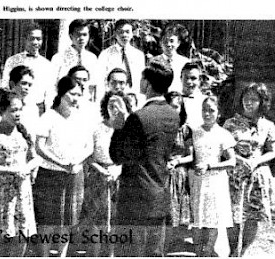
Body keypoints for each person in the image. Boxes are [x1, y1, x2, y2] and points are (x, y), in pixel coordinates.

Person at [109, 61, 179, 257]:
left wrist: (118, 126)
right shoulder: (173, 115)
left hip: (135, 197)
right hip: (159, 194)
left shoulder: (139, 117)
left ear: (147, 84)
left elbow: (118, 156)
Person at [0, 88, 40, 257]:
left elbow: (35, 157)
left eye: (19, 109)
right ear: (2, 111)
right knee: (0, 236)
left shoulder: (22, 132)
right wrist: (11, 170)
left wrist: (26, 168)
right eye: (13, 110)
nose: (17, 114)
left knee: (21, 234)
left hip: (21, 191)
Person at [33, 76, 93, 257]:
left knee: (69, 221)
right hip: (51, 175)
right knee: (47, 221)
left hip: (74, 175)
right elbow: (39, 147)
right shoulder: (49, 116)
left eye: (79, 95)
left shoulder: (82, 118)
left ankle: (61, 255)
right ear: (61, 94)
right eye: (71, 94)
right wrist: (60, 163)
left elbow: (89, 146)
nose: (75, 98)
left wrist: (76, 161)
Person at [223, 83, 275, 257]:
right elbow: (223, 148)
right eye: (245, 98)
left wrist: (256, 160)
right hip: (235, 175)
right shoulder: (230, 123)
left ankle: (243, 252)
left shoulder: (268, 126)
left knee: (252, 217)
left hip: (258, 177)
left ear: (262, 102)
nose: (248, 102)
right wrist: (240, 160)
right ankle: (233, 252)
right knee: (233, 216)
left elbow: (273, 151)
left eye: (254, 99)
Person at [79, 91, 129, 257]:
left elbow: (130, 155)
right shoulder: (97, 128)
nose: (114, 109)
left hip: (119, 176)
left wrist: (117, 169)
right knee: (96, 219)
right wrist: (101, 170)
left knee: (115, 219)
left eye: (118, 106)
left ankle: (111, 254)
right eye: (111, 106)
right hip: (97, 176)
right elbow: (88, 156)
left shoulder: (127, 129)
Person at [190, 96, 236, 257]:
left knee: (213, 219)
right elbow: (190, 156)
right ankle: (198, 252)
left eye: (211, 110)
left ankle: (209, 251)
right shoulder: (195, 132)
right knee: (198, 218)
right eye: (204, 110)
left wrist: (210, 166)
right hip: (198, 180)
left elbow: (232, 161)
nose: (207, 114)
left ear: (218, 113)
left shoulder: (223, 134)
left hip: (216, 180)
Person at [2, 23, 53, 115]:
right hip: (16, 108)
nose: (35, 42)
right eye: (32, 39)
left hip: (38, 109)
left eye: (38, 39)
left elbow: (49, 93)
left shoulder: (47, 65)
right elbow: (5, 87)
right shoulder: (12, 61)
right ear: (24, 39)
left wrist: (48, 114)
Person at [164, 91, 194, 248]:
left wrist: (176, 161)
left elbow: (191, 156)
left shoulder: (185, 130)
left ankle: (177, 243)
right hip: (163, 171)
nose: (173, 110)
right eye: (170, 106)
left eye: (176, 107)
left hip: (180, 173)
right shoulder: (159, 127)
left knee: (179, 210)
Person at [51, 19, 99, 105]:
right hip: (65, 104)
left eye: (85, 35)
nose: (81, 38)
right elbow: (52, 86)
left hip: (85, 105)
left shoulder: (92, 58)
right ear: (71, 36)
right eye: (78, 34)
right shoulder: (58, 58)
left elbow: (94, 87)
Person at [98, 19, 146, 103]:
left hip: (133, 98)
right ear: (115, 35)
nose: (124, 35)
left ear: (132, 34)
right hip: (113, 97)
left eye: (127, 32)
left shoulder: (139, 55)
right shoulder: (105, 54)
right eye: (120, 32)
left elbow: (141, 80)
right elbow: (101, 80)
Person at [150, 24, 190, 93]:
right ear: (160, 43)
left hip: (179, 98)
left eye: (171, 41)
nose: (168, 44)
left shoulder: (185, 62)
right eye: (165, 41)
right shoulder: (154, 61)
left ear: (178, 43)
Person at [8, 65, 40, 136]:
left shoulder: (32, 109)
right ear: (12, 84)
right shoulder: (3, 105)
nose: (27, 88)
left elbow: (33, 134)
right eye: (24, 83)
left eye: (29, 85)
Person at [180, 62, 206, 129]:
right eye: (186, 78)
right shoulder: (173, 99)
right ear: (180, 78)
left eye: (193, 78)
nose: (189, 82)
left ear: (199, 80)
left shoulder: (205, 101)